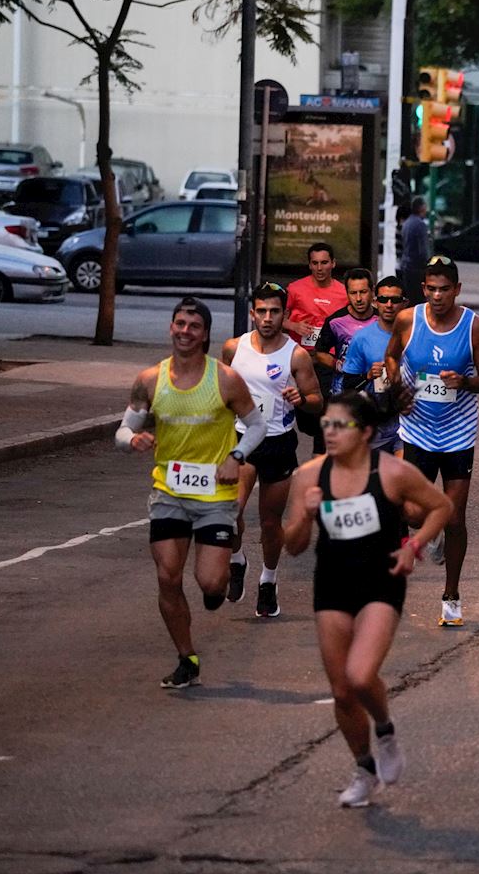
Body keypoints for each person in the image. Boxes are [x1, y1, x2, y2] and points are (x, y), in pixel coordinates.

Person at [282, 393, 453, 808]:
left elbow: (441, 506)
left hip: (382, 579)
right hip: (333, 583)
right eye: (326, 426)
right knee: (341, 691)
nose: (330, 433)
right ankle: (364, 768)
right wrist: (304, 515)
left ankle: (386, 730)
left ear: (366, 433)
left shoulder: (393, 472)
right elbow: (293, 546)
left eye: (340, 426)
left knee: (360, 676)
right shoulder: (308, 476)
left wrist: (414, 546)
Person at [116, 297, 264, 688]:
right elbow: (122, 430)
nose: (184, 331)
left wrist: (236, 455)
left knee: (211, 585)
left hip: (215, 495)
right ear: (171, 327)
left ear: (204, 335)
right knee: (168, 577)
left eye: (193, 326)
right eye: (179, 323)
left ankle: (227, 559)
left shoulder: (225, 380)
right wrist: (131, 440)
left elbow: (257, 426)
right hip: (169, 491)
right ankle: (187, 657)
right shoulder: (150, 379)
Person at [383, 256, 479, 628]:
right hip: (416, 428)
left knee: (455, 517)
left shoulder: (474, 327)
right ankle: (430, 535)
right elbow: (391, 356)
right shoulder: (407, 319)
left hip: (457, 433)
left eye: (444, 289)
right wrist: (397, 383)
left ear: (457, 290)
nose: (437, 296)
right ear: (423, 289)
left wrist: (463, 382)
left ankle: (451, 595)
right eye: (431, 289)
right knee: (410, 509)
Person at [222, 282, 325, 617]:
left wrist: (302, 399)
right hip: (241, 441)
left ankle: (268, 580)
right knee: (230, 512)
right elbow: (220, 389)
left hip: (278, 442)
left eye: (274, 312)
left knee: (269, 521)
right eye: (261, 311)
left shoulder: (295, 355)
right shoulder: (233, 348)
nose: (267, 318)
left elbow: (316, 401)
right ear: (252, 313)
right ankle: (237, 559)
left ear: (285, 315)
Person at [285, 243, 347, 455]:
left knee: (324, 415)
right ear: (309, 265)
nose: (320, 268)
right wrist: (293, 326)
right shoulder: (294, 289)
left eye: (324, 263)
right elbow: (277, 319)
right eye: (315, 263)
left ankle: (319, 459)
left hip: (326, 363)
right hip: (300, 363)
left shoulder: (343, 292)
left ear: (333, 264)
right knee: (307, 421)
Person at [338, 277, 411, 453]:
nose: (389, 305)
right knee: (375, 478)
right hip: (377, 422)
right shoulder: (362, 338)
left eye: (395, 300)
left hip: (409, 421)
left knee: (401, 477)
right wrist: (368, 375)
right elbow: (347, 386)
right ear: (375, 302)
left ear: (405, 303)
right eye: (383, 299)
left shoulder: (416, 334)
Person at [314, 268, 377, 397]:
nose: (358, 298)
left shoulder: (382, 319)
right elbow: (320, 353)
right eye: (353, 293)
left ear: (372, 291)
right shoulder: (335, 321)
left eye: (363, 292)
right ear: (347, 293)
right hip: (343, 392)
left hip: (376, 392)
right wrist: (339, 365)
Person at [397, 196, 431, 306]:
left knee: (410, 299)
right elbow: (423, 250)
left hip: (406, 266)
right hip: (417, 268)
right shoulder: (420, 225)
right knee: (419, 300)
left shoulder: (407, 223)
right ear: (421, 208)